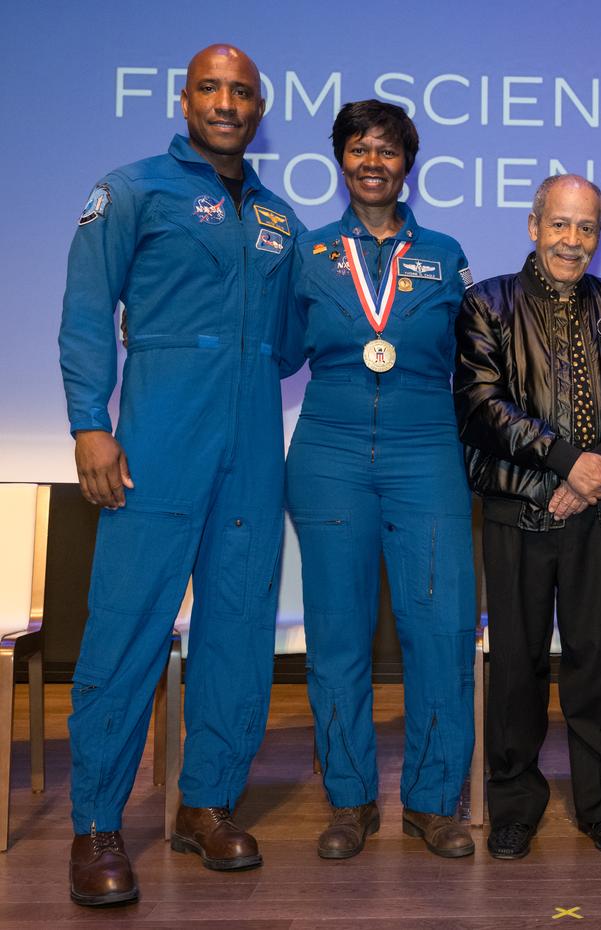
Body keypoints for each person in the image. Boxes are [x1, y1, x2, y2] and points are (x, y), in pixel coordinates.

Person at [58, 44, 301, 906]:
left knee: (238, 629)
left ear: (261, 105)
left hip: (250, 441)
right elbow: (89, 309)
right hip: (158, 432)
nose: (227, 103)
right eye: (211, 88)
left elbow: (298, 334)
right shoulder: (130, 190)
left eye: (241, 91)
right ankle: (96, 826)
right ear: (185, 97)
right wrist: (91, 423)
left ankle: (207, 805)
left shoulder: (279, 219)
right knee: (126, 628)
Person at [282, 101, 476, 861]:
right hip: (327, 454)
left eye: (388, 150)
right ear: (340, 159)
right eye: (359, 148)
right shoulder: (308, 253)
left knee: (441, 630)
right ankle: (350, 801)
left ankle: (433, 804)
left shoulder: (446, 254)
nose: (373, 161)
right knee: (336, 636)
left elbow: (475, 363)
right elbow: (276, 350)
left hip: (425, 451)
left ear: (407, 163)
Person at [454, 174, 601, 860]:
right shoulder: (487, 302)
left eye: (587, 228)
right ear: (532, 224)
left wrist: (598, 464)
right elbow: (481, 408)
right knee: (515, 670)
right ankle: (515, 800)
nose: (573, 241)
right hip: (518, 513)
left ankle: (597, 802)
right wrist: (562, 467)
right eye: (560, 225)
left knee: (596, 668)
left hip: (600, 518)